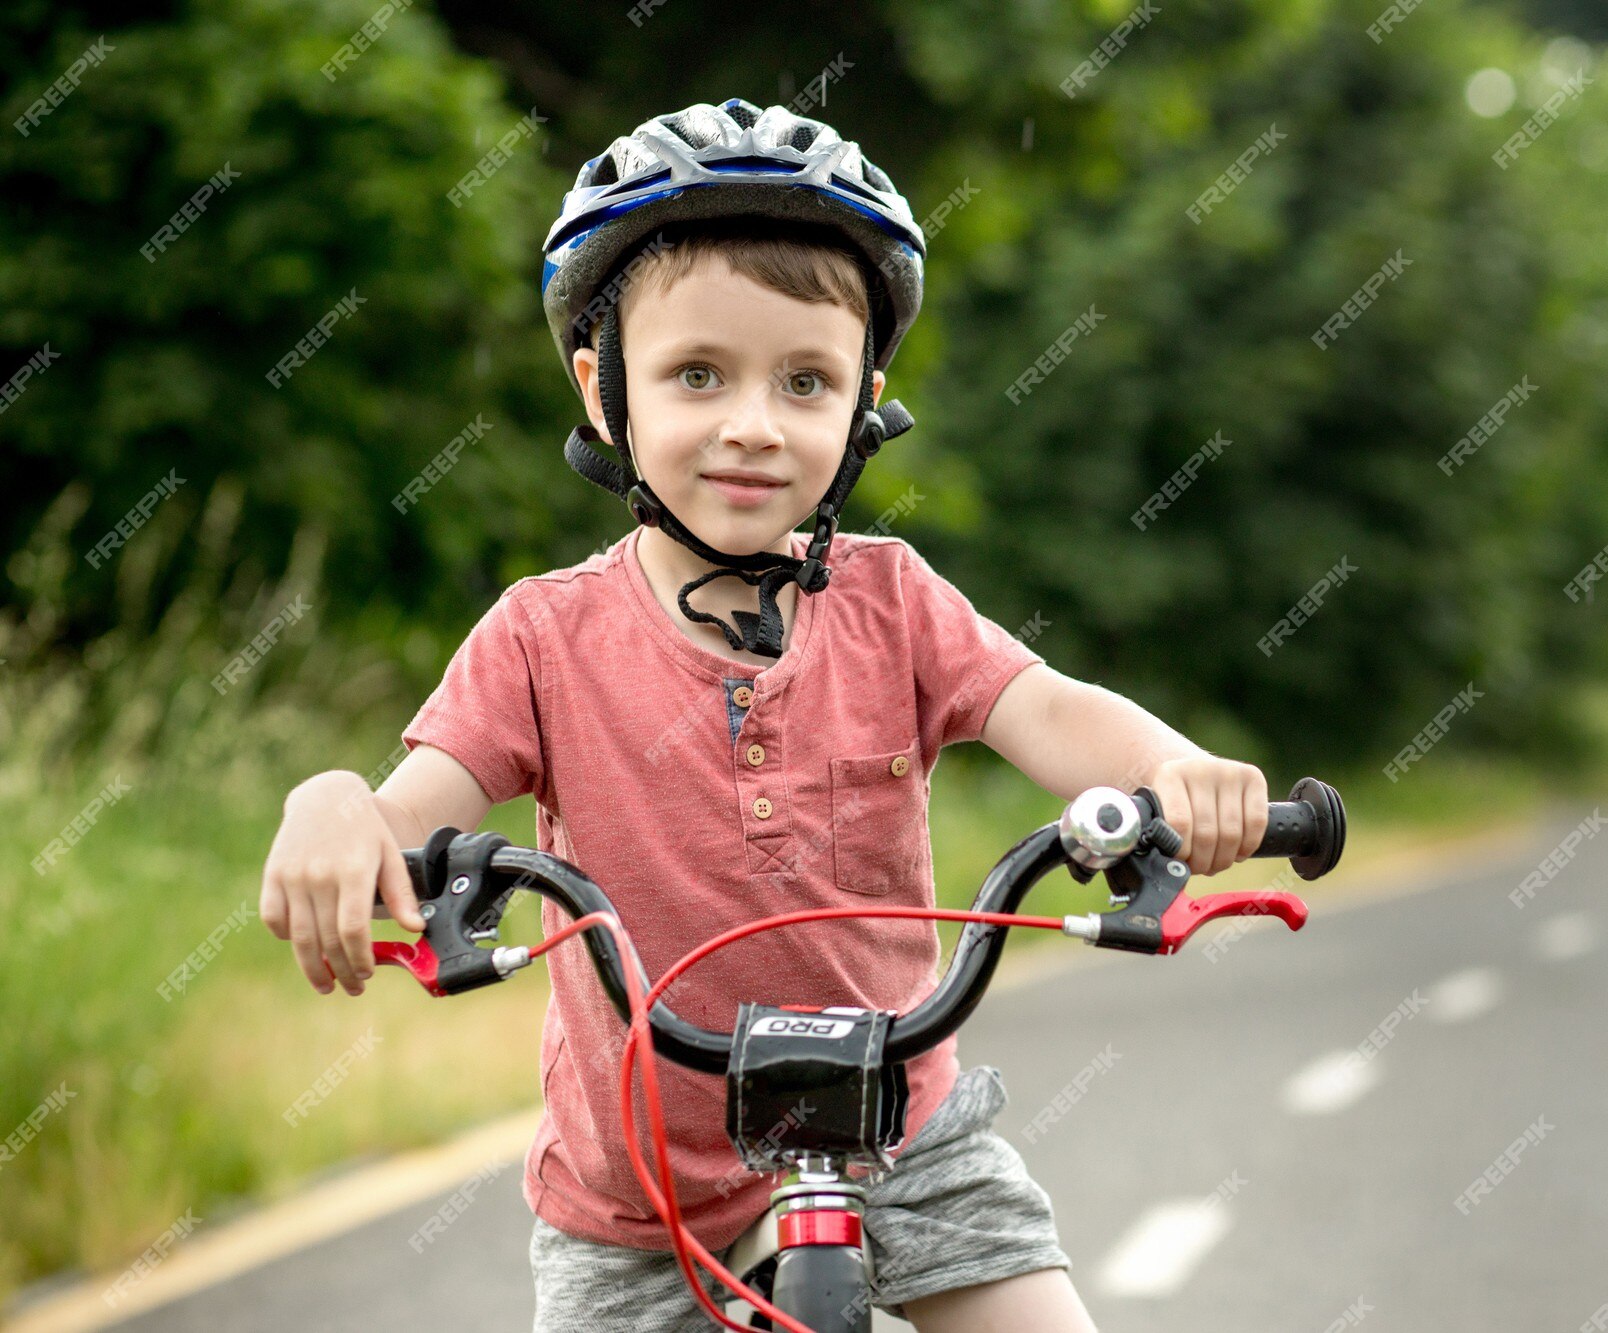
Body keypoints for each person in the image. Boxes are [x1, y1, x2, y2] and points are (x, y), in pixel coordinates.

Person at [259, 98, 1271, 1332]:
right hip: (635, 1203)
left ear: (861, 406)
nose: (752, 423)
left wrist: (1177, 769)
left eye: (805, 382)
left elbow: (1047, 709)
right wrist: (332, 810)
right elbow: (411, 811)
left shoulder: (895, 600)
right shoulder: (541, 635)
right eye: (697, 374)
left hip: (897, 1139)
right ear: (602, 388)